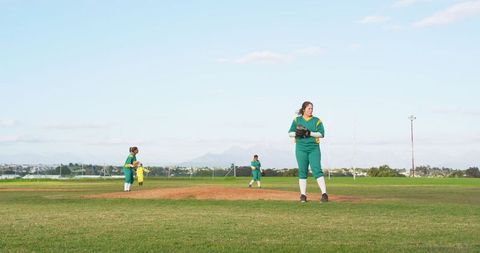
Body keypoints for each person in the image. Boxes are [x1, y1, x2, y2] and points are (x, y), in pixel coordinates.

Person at [288, 101, 328, 202]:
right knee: (302, 171)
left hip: (313, 148)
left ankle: (324, 194)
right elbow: (290, 133)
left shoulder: (316, 120)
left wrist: (309, 133)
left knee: (317, 170)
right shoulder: (297, 120)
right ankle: (303, 195)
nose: (311, 110)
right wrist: (298, 133)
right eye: (309, 108)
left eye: (312, 108)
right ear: (304, 109)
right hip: (301, 148)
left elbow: (321, 134)